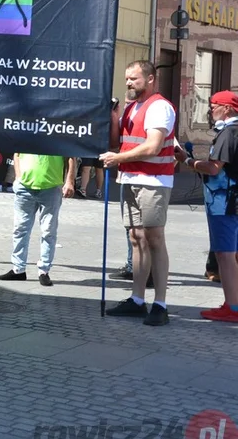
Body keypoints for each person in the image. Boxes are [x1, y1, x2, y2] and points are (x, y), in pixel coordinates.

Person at [101, 61, 176, 326]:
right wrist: (113, 118)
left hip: (154, 181)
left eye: (134, 79)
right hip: (130, 178)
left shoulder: (160, 107)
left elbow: (153, 147)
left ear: (151, 79)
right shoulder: (132, 108)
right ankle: (137, 299)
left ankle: (161, 304)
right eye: (127, 78)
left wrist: (118, 157)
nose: (129, 83)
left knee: (154, 238)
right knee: (136, 237)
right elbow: (116, 141)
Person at [175, 91, 238, 322]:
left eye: (214, 106)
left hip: (224, 201)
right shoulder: (232, 132)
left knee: (225, 254)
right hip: (229, 199)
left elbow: (214, 168)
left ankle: (232, 306)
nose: (210, 110)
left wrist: (187, 160)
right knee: (229, 254)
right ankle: (232, 303)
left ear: (228, 108)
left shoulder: (228, 133)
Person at [0, 153, 76, 286]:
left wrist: (70, 181)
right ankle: (18, 269)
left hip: (51, 187)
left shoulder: (58, 132)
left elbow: (70, 156)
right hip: (25, 187)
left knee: (48, 231)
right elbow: (17, 154)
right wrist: (18, 177)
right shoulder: (27, 134)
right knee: (20, 229)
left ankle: (44, 270)